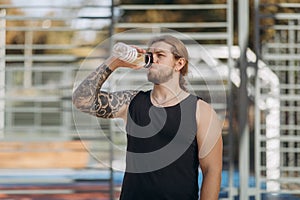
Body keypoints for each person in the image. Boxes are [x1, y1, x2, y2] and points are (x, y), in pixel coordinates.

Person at [72, 35, 223, 200]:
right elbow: (82, 100)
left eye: (160, 55)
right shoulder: (131, 102)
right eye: (150, 55)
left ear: (179, 63)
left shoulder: (201, 111)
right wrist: (114, 62)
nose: (152, 60)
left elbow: (212, 171)